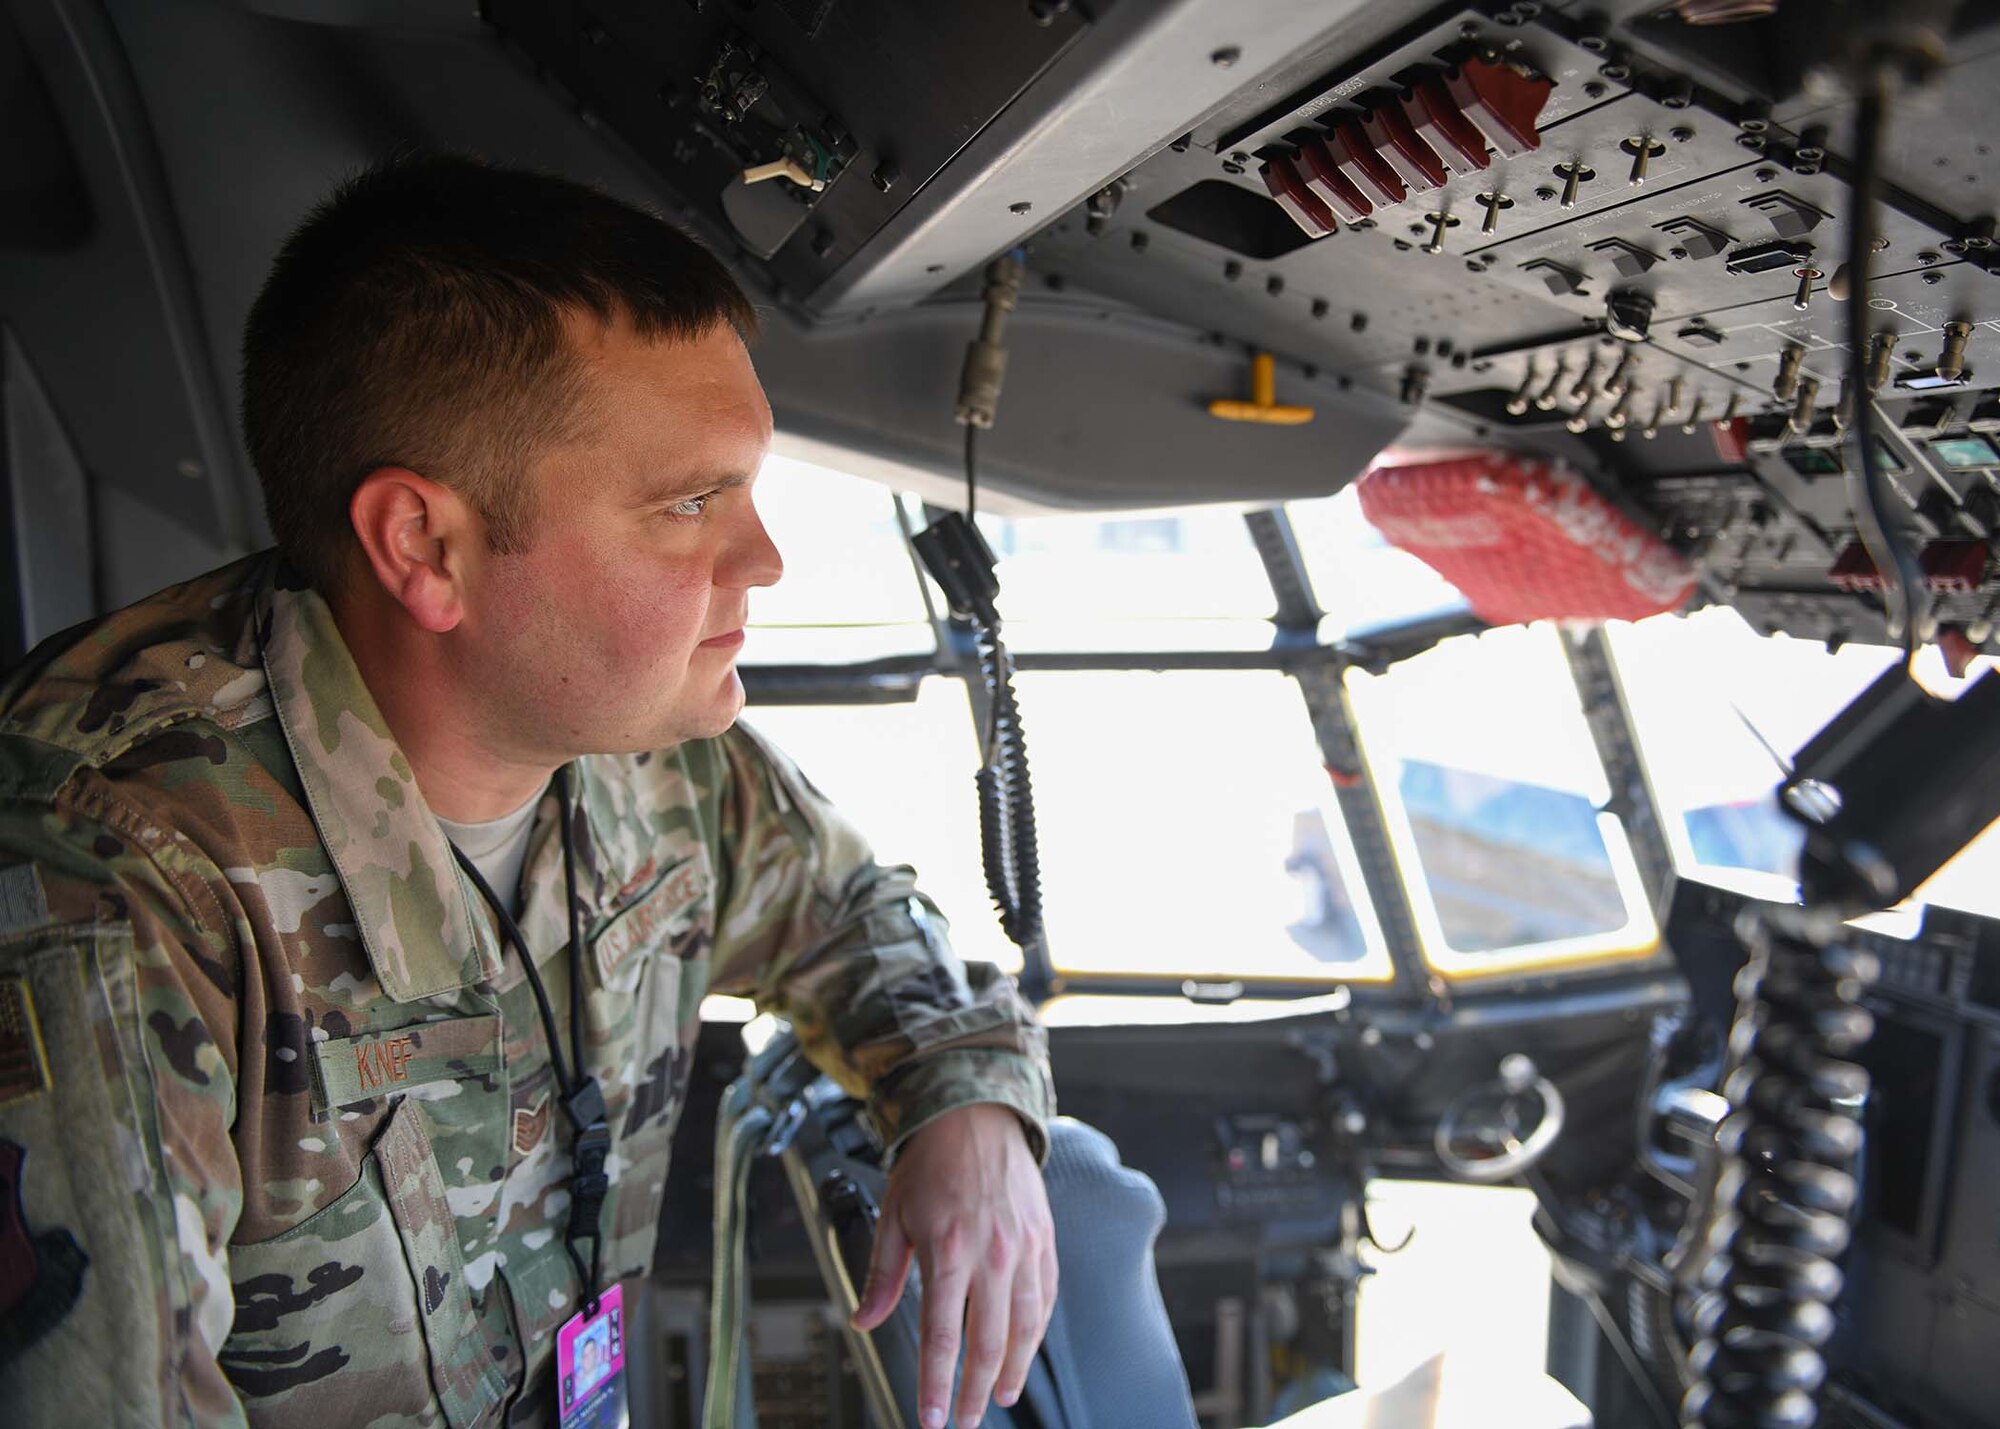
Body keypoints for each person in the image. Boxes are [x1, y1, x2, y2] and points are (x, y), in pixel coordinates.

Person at [0, 153, 1056, 1428]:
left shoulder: (651, 749)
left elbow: (846, 913)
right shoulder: (105, 877)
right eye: (687, 503)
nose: (764, 559)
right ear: (426, 547)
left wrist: (967, 1106)